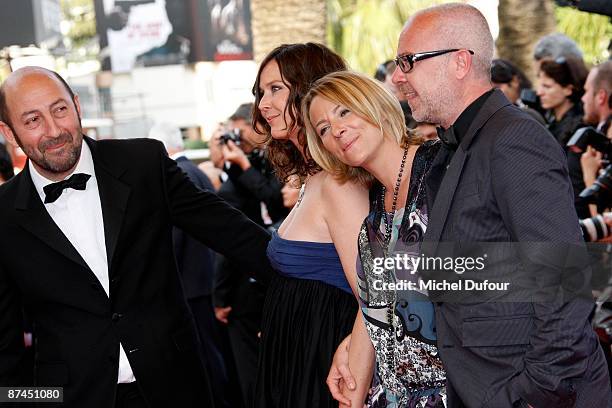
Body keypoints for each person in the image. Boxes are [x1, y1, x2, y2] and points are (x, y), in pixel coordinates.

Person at [331, 4, 611, 408]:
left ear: (460, 62)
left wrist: (530, 394)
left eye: (408, 61)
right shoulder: (459, 143)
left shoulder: (513, 139)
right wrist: (363, 338)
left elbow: (566, 285)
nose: (397, 77)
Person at [0, 66, 272, 408]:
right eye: (32, 120)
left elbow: (233, 233)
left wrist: (313, 292)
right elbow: (4, 347)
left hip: (175, 386)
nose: (54, 130)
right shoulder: (4, 215)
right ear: (9, 133)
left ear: (78, 106)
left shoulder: (143, 163)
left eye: (60, 109)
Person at [303, 70, 446, 407]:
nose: (336, 129)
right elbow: (380, 306)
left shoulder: (444, 170)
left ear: (376, 104)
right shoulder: (373, 211)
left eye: (344, 111)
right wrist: (356, 340)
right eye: (323, 129)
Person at [251, 42, 368, 408]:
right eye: (260, 93)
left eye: (275, 90)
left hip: (321, 369)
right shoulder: (314, 177)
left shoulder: (339, 184)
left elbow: (374, 297)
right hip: (293, 361)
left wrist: (354, 388)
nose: (263, 105)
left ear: (309, 89)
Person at [147, 122, 231, 408]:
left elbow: (177, 234)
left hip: (191, 282)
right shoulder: (196, 172)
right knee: (209, 352)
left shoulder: (179, 174)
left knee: (206, 355)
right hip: (202, 277)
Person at [211, 102, 285, 406]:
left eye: (238, 130)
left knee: (257, 370)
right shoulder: (243, 172)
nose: (233, 140)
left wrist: (220, 297)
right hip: (254, 282)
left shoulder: (273, 162)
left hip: (258, 284)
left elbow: (273, 201)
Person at [536, 57, 588, 145]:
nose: (539, 92)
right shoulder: (552, 121)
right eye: (540, 86)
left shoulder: (576, 127)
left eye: (547, 86)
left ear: (568, 89)